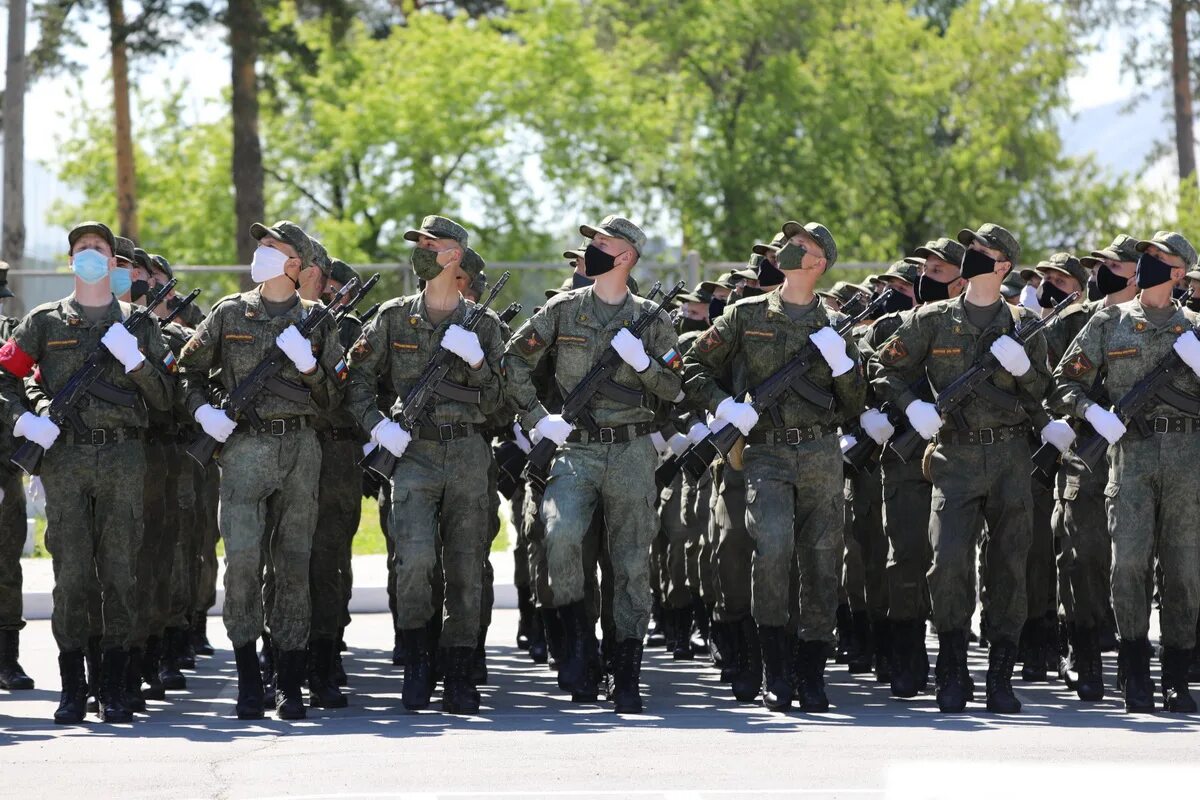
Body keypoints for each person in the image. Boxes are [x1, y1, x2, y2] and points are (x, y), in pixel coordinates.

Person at [683, 220, 865, 712]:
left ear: (818, 263)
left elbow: (854, 404)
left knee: (824, 560)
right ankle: (775, 669)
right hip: (765, 451)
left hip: (822, 453)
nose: (787, 249)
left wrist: (845, 366)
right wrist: (725, 407)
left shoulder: (833, 325)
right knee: (773, 550)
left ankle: (812, 671)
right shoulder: (745, 315)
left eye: (800, 246)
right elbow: (693, 366)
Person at [870, 223, 1050, 714]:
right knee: (948, 562)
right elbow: (884, 369)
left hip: (1012, 457)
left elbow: (1045, 395)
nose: (971, 254)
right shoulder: (932, 318)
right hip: (954, 455)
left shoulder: (1022, 325)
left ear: (1003, 266)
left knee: (1009, 566)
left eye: (983, 251)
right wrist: (912, 406)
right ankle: (951, 666)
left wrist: (1024, 370)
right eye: (969, 247)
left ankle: (1000, 674)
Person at [504, 214, 681, 714]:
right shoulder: (563, 311)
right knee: (559, 538)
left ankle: (626, 670)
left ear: (625, 257)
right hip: (575, 448)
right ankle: (579, 651)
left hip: (629, 450)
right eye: (593, 243)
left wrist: (645, 364)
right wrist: (540, 420)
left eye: (605, 244)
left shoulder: (652, 318)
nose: (594, 250)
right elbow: (514, 362)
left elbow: (674, 388)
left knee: (629, 562)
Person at [0, 221, 174, 724]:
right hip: (66, 460)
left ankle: (115, 685)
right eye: (82, 249)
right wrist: (25, 420)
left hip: (123, 457)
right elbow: (5, 378)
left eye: (99, 249)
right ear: (71, 259)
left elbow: (166, 397)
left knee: (120, 573)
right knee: (71, 575)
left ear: (112, 259)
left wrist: (137, 363)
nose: (90, 256)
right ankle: (73, 686)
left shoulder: (140, 323)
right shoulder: (45, 321)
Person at [178, 220, 345, 721]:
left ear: (297, 265)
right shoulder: (230, 312)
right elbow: (186, 371)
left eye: (274, 246)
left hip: (299, 448)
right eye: (261, 245)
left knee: (293, 566)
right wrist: (202, 411)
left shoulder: (318, 320)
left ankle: (289, 682)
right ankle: (249, 677)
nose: (263, 251)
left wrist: (312, 369)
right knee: (244, 565)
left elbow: (337, 400)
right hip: (245, 449)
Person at [345, 215, 506, 715]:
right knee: (413, 561)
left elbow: (505, 400)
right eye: (418, 243)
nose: (420, 250)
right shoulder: (393, 318)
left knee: (465, 567)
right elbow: (356, 381)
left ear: (454, 255)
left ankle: (458, 670)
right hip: (411, 453)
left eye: (430, 244)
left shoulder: (485, 325)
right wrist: (377, 425)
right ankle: (417, 662)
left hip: (466, 454)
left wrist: (479, 364)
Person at [1049, 231, 1200, 713]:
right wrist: (1094, 413)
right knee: (1128, 565)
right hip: (1130, 458)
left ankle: (1177, 674)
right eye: (1147, 256)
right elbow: (1065, 383)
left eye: (1161, 258)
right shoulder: (1109, 321)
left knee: (1183, 573)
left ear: (1179, 273)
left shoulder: (1194, 329)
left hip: (1187, 461)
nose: (1149, 261)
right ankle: (1134, 669)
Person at [0, 261, 33, 693]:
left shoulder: (13, 336)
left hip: (5, 468)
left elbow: (27, 391)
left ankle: (8, 659)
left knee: (7, 565)